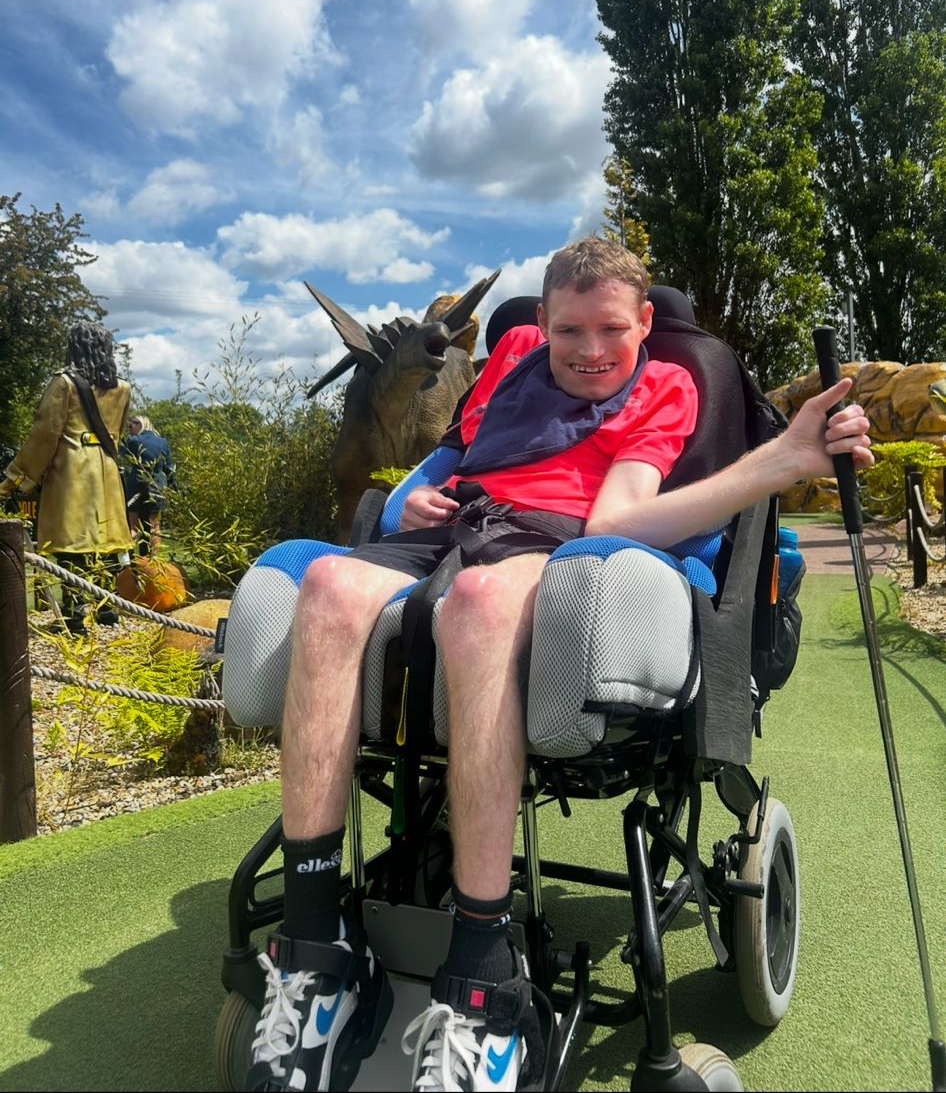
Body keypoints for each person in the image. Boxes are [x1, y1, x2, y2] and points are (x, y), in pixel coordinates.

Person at [243, 237, 873, 1093]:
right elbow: (454, 450)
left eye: (610, 328)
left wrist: (782, 461)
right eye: (567, 328)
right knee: (325, 586)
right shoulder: (508, 356)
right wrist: (402, 495)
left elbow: (622, 520)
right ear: (540, 324)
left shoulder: (666, 387)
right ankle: (316, 954)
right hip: (450, 527)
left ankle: (484, 976)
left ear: (645, 323)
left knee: (480, 605)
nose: (588, 349)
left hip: (554, 542)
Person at [0, 321, 134, 633]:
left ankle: (76, 613)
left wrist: (14, 480)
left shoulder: (65, 384)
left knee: (72, 545)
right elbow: (118, 433)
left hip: (73, 472)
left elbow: (44, 435)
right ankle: (107, 609)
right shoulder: (123, 388)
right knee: (106, 541)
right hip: (108, 471)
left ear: (75, 347)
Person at [120, 414, 174, 555]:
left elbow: (123, 452)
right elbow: (169, 468)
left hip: (136, 484)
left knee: (133, 527)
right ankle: (154, 559)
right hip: (157, 485)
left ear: (140, 425)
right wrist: (172, 486)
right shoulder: (163, 442)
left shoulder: (133, 440)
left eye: (132, 425)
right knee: (155, 527)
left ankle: (129, 561)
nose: (130, 428)